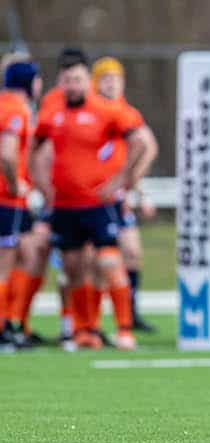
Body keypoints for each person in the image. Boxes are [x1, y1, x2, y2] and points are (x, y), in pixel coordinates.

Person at [31, 48, 146, 351]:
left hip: (98, 203)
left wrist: (122, 179)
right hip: (64, 206)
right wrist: (43, 187)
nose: (73, 85)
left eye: (79, 79)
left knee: (109, 260)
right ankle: (86, 330)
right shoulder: (51, 111)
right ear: (61, 81)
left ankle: (124, 328)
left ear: (88, 81)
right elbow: (35, 148)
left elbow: (140, 142)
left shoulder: (106, 110)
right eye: (68, 80)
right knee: (72, 269)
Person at [91, 57, 159, 332]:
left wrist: (136, 188)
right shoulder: (91, 111)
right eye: (105, 78)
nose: (111, 83)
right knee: (96, 261)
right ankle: (87, 322)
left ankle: (130, 314)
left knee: (131, 253)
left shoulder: (127, 113)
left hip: (117, 197)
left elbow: (145, 149)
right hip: (93, 196)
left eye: (116, 78)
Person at [0, 61, 40, 351]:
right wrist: (15, 184)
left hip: (14, 202)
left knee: (28, 252)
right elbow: (7, 153)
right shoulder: (16, 110)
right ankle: (3, 328)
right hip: (6, 198)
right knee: (4, 264)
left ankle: (13, 320)